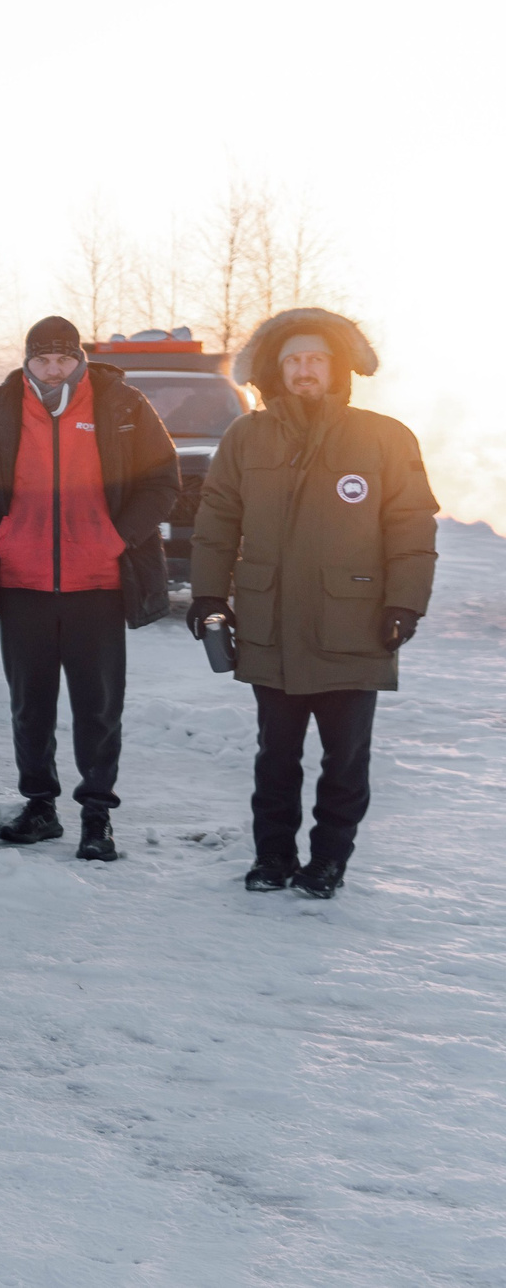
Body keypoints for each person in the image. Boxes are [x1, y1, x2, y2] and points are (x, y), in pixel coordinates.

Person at [190, 308, 437, 899]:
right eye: (294, 360)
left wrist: (405, 603)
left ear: (338, 370)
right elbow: (217, 519)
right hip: (270, 624)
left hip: (352, 625)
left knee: (345, 758)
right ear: (278, 369)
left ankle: (327, 862)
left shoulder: (384, 436)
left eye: (317, 360)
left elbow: (411, 525)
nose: (305, 370)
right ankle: (272, 858)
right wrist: (207, 592)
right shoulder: (245, 436)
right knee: (275, 756)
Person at [0, 317, 180, 863]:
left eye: (63, 359)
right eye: (42, 359)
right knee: (30, 705)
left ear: (78, 359)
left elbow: (161, 480)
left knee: (98, 707)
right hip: (21, 583)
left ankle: (96, 815)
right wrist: (1, 537)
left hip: (96, 583)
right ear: (27, 361)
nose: (54, 369)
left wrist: (117, 538)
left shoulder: (121, 405)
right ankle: (40, 806)